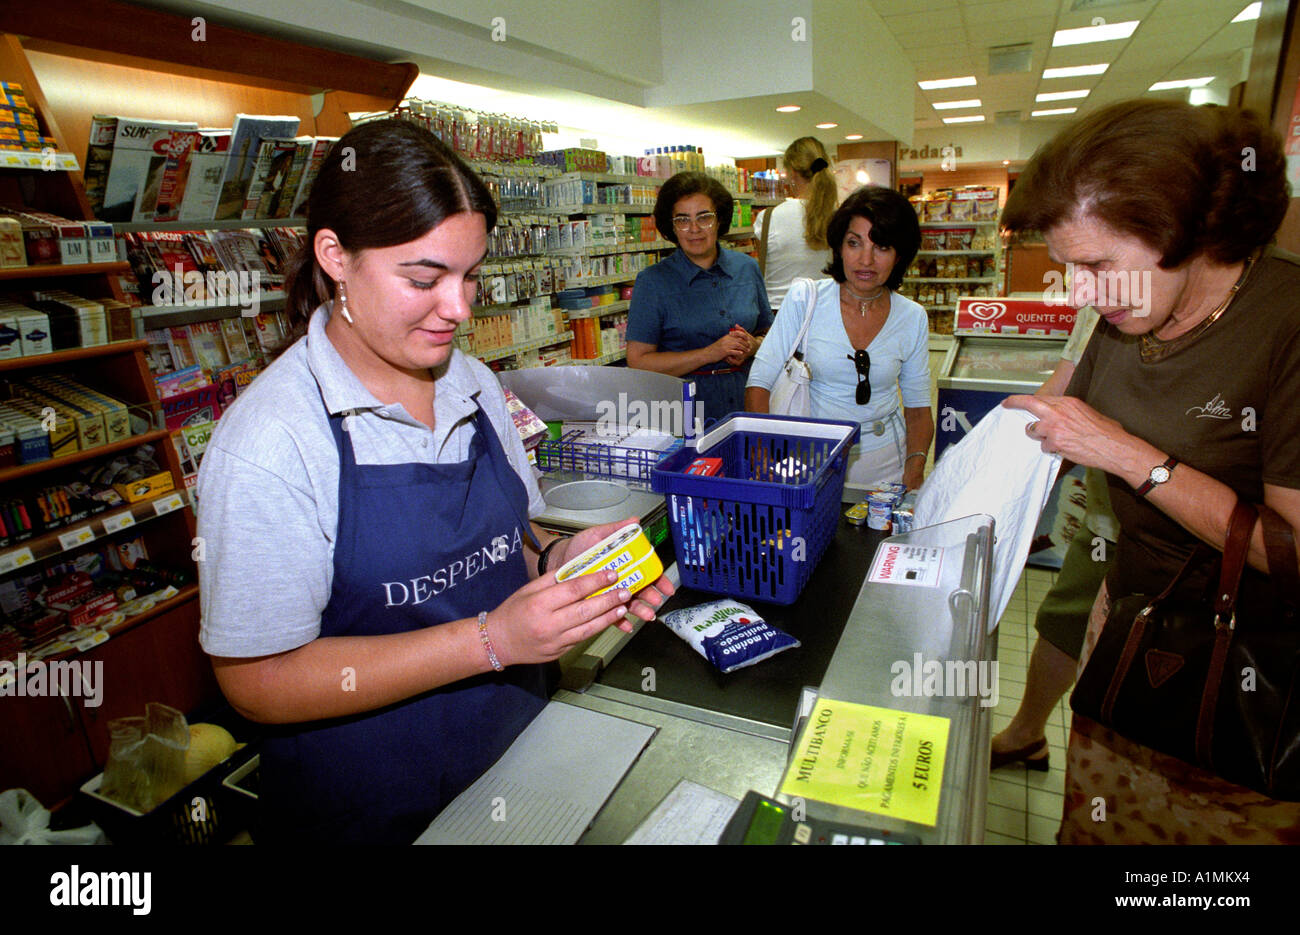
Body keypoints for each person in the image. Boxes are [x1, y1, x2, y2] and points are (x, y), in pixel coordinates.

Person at [195, 119, 672, 844]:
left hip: (517, 761)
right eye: (424, 278)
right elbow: (255, 681)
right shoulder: (271, 441)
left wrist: (560, 564)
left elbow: (509, 536)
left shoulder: (474, 385)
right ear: (336, 257)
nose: (460, 307)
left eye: (471, 274)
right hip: (370, 809)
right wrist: (489, 641)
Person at [1001, 99, 1300, 843]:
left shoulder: (1284, 324)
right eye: (1071, 268)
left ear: (1190, 228)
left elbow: (1294, 550)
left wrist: (1130, 455)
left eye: (1098, 266)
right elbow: (1068, 400)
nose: (1082, 294)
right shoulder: (1125, 311)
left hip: (1247, 677)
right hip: (1130, 629)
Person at [991, 307, 1118, 771]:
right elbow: (1058, 394)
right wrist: (990, 481)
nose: (1082, 288)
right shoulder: (1100, 307)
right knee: (1062, 621)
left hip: (1198, 553)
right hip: (1107, 520)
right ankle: (1027, 734)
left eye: (1098, 263)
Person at [745, 186, 933, 491]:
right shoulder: (805, 299)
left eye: (882, 247)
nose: (866, 260)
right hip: (809, 462)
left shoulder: (912, 317)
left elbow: (918, 408)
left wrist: (914, 470)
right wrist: (763, 460)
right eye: (854, 243)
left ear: (900, 255)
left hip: (886, 465)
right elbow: (759, 382)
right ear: (839, 246)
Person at [626, 171, 772, 422]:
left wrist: (753, 345)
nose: (694, 229)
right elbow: (638, 361)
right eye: (682, 220)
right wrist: (710, 353)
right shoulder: (653, 282)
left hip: (749, 403)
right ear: (671, 226)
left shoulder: (746, 268)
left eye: (704, 217)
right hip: (685, 413)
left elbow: (769, 331)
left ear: (719, 220)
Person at [758, 137, 835, 311]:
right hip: (825, 312)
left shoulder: (768, 218)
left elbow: (762, 269)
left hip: (778, 314)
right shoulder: (839, 218)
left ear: (792, 172)